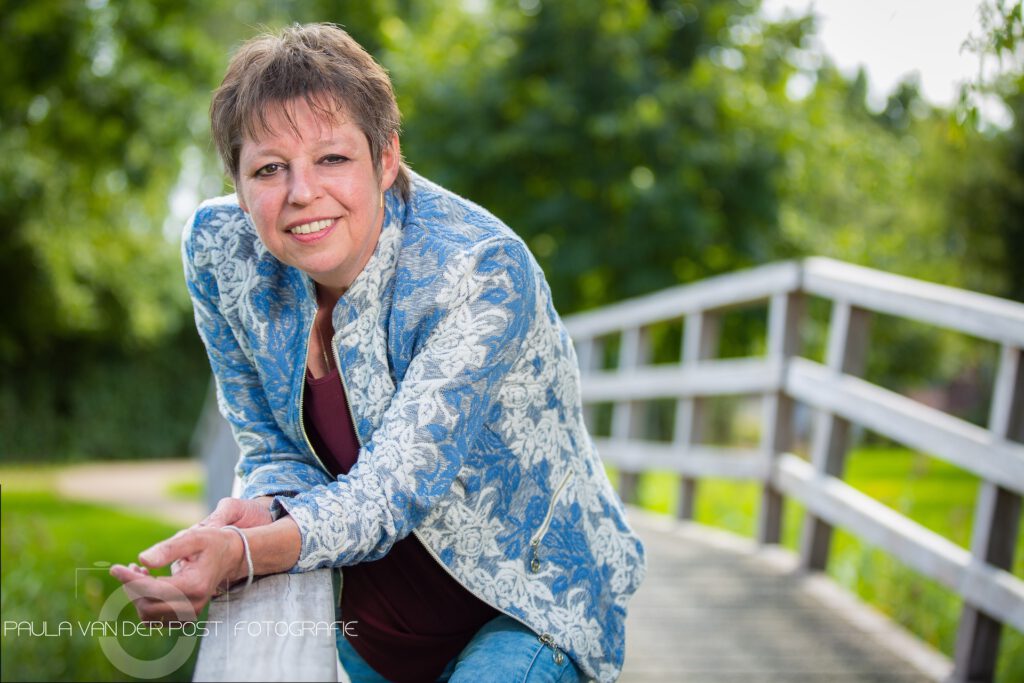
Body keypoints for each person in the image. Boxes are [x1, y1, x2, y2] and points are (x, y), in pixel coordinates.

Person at [111, 22, 646, 683]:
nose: (301, 192)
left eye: (332, 158)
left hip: (527, 601)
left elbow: (393, 490)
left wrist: (246, 554)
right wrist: (259, 514)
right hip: (381, 620)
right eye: (270, 168)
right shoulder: (222, 253)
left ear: (385, 158)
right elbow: (271, 446)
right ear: (238, 180)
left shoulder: (478, 270)